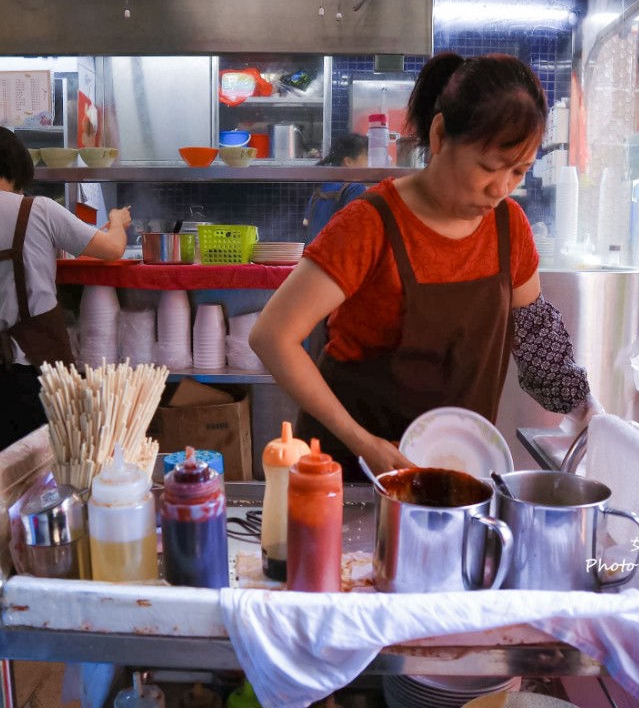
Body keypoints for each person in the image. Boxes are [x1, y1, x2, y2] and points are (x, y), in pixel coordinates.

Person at [250, 53, 595, 478]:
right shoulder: (370, 223)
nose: (501, 188)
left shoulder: (510, 228)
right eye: (489, 167)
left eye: (519, 171)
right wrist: (362, 442)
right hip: (356, 469)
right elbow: (272, 336)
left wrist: (583, 406)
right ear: (439, 136)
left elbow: (533, 328)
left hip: (455, 470)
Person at [0, 126, 131, 627]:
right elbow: (110, 251)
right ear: (17, 170)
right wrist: (118, 222)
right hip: (42, 370)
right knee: (50, 478)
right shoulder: (38, 210)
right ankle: (46, 595)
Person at [302, 133, 369, 240]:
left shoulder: (321, 188)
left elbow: (307, 225)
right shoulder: (355, 188)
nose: (370, 164)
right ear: (348, 161)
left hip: (315, 254)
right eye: (367, 157)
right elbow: (355, 234)